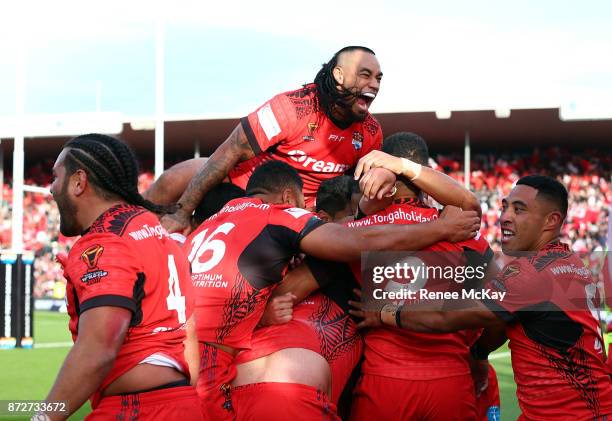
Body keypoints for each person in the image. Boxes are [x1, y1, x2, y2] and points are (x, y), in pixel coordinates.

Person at [185, 160, 480, 420]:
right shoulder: (448, 227)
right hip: (444, 381)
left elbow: (285, 289)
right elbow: (490, 312)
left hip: (191, 364)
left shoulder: (212, 224)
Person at [352, 175, 612, 420]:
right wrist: (478, 352)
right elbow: (501, 319)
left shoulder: (533, 273)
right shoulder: (570, 262)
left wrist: (385, 313)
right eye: (505, 207)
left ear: (551, 221)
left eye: (519, 210)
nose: (504, 217)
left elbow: (448, 315)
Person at [306, 132, 494, 420]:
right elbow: (495, 309)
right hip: (451, 381)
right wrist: (478, 353)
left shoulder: (360, 231)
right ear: (427, 175)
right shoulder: (462, 230)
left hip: (384, 383)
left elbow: (303, 280)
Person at [41, 134, 202, 421]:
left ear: (79, 182)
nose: (51, 189)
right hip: (183, 402)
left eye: (55, 177)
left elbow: (98, 349)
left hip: (137, 407)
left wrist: (42, 417)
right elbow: (190, 332)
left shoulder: (104, 242)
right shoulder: (154, 230)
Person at [153, 45, 384, 234]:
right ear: (339, 76)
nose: (374, 84)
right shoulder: (292, 107)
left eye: (378, 78)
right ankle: (129, 224)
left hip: (304, 210)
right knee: (175, 176)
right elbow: (231, 150)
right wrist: (181, 213)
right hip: (246, 187)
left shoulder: (371, 132)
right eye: (365, 75)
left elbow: (358, 191)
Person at [230, 175, 365, 420]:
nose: (363, 223)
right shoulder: (276, 255)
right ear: (324, 219)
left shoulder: (361, 264)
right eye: (354, 215)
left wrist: (392, 316)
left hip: (279, 390)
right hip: (263, 392)